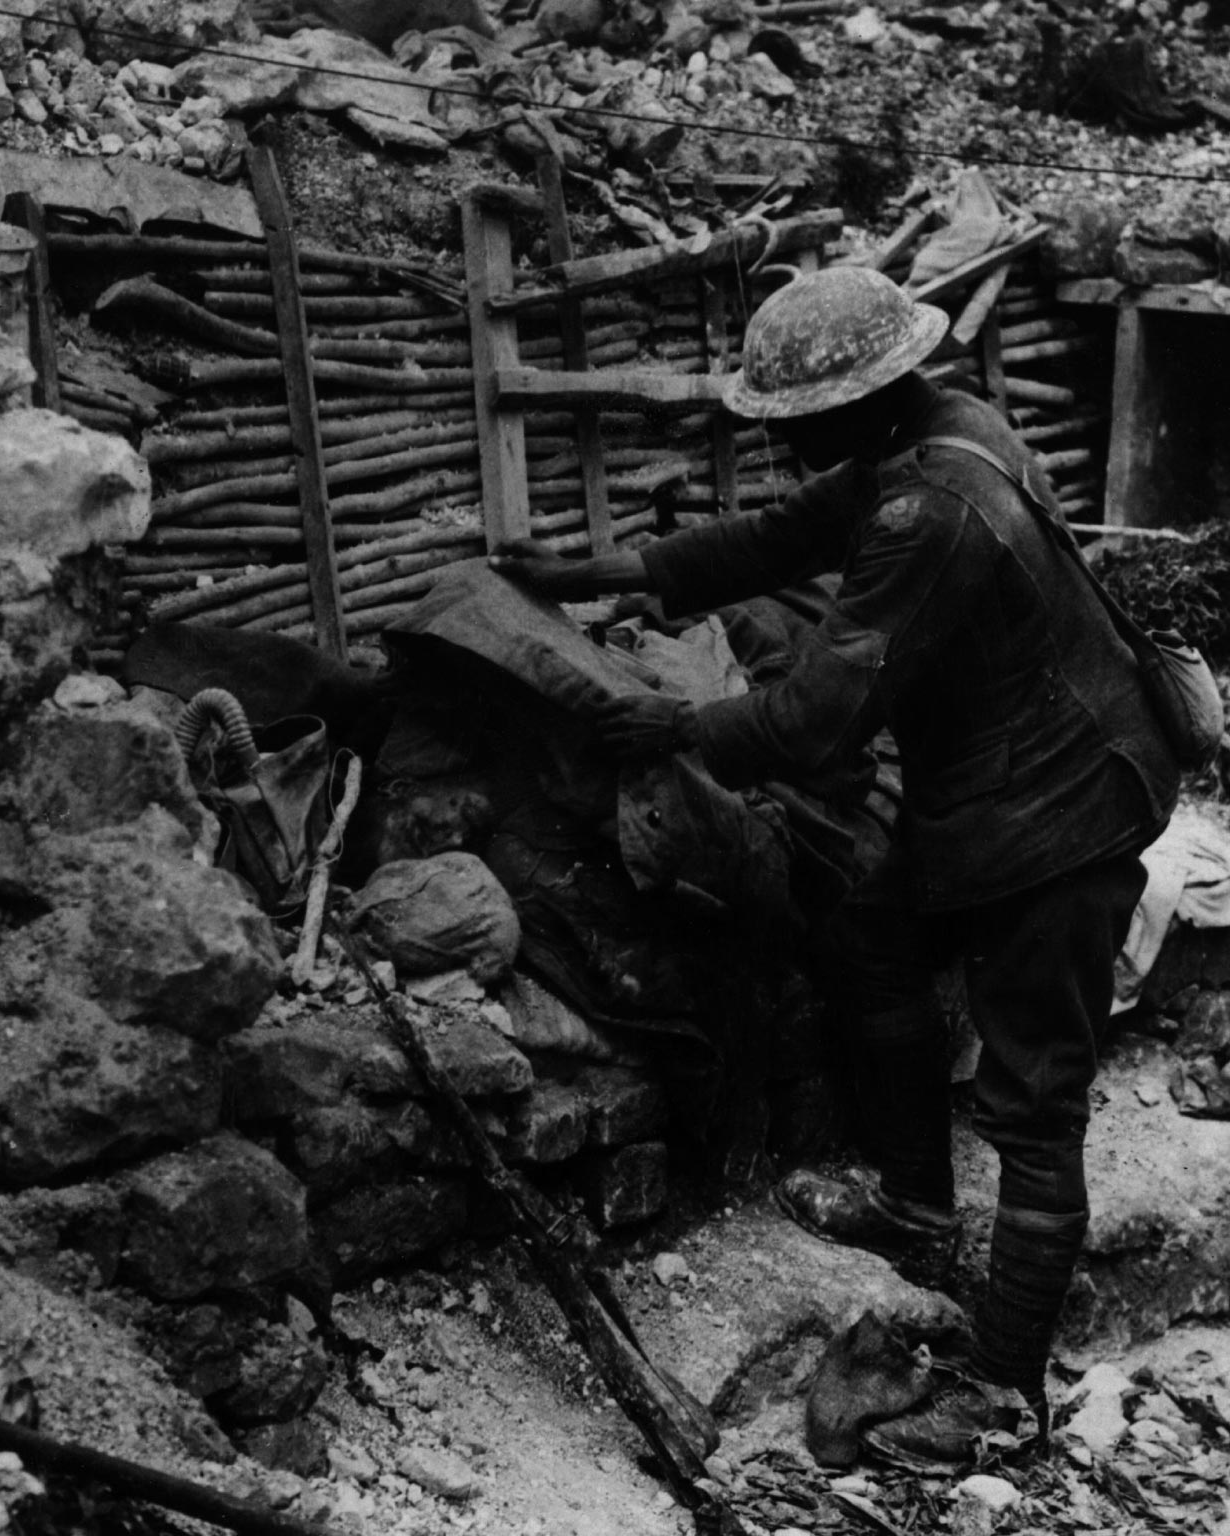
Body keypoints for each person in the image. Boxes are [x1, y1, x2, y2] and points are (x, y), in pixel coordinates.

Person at [490, 263, 1179, 1472]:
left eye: (797, 420)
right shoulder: (927, 432)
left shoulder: (931, 511)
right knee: (869, 934)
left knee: (1033, 1097)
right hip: (997, 787)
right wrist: (599, 575)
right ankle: (915, 1206)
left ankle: (1003, 1393)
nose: (789, 441)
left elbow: (816, 719)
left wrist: (672, 729)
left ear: (854, 402)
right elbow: (771, 539)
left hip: (1060, 815)